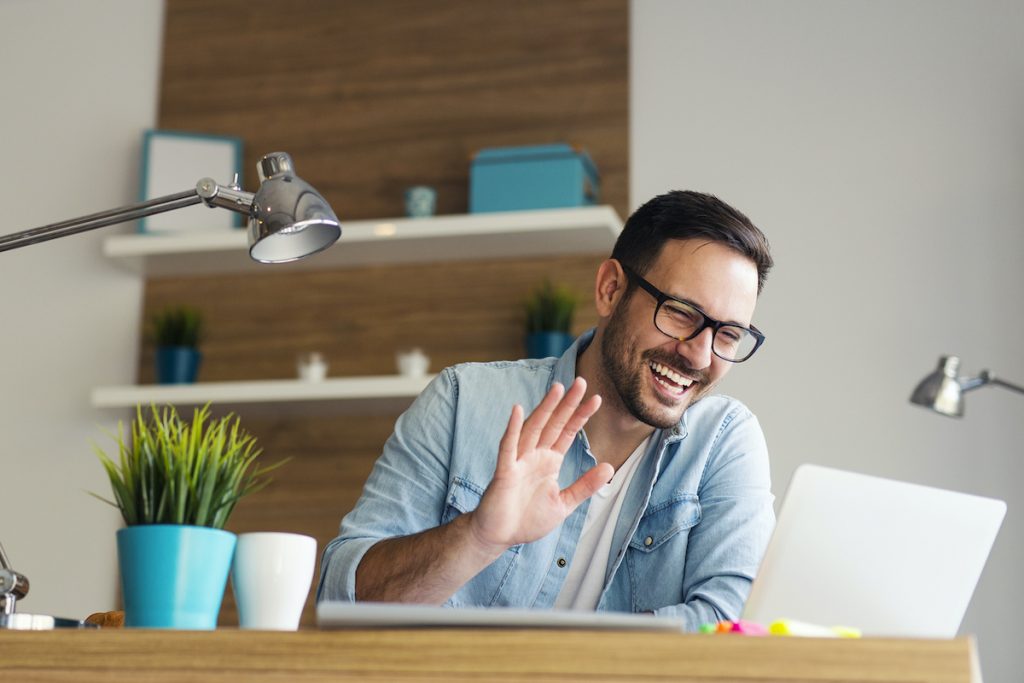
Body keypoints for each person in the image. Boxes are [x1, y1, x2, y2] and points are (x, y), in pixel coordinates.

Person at [318, 190, 775, 629]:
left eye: (729, 335)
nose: (699, 355)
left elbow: (731, 626)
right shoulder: (463, 399)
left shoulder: (723, 441)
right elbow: (341, 601)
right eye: (681, 313)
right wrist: (476, 538)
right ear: (610, 290)